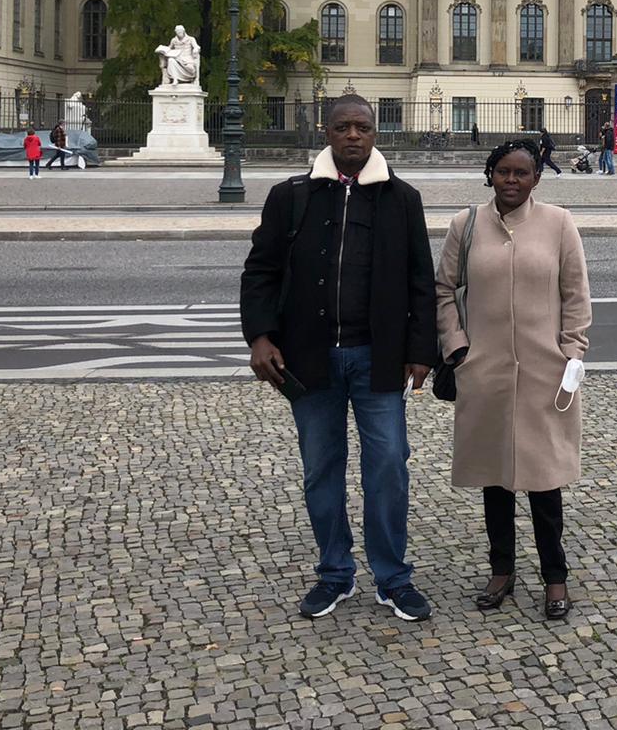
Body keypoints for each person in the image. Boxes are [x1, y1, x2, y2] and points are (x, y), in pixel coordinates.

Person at [240, 94, 437, 623]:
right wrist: (260, 336)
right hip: (310, 358)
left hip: (378, 358)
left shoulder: (403, 199)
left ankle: (392, 576)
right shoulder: (292, 196)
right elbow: (260, 271)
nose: (354, 135)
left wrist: (421, 351)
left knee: (390, 467)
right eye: (343, 126)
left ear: (376, 134)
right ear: (327, 133)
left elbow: (422, 281)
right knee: (321, 470)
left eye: (363, 127)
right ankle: (335, 572)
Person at [436, 139, 591, 620]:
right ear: (490, 174)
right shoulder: (465, 225)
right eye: (503, 171)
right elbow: (443, 290)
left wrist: (572, 350)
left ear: (536, 179)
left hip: (546, 371)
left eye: (521, 173)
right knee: (495, 479)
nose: (511, 180)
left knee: (545, 482)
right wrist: (456, 344)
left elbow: (575, 292)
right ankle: (501, 569)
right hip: (485, 370)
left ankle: (555, 575)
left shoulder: (558, 223)